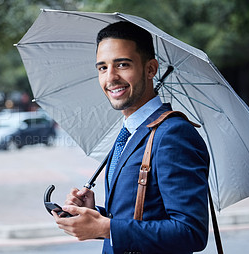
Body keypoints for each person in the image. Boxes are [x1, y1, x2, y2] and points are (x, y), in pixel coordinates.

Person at [52, 22, 210, 254]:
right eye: (102, 68)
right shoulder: (131, 131)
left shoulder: (173, 134)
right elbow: (142, 215)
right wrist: (96, 217)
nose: (111, 78)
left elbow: (190, 232)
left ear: (150, 69)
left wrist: (106, 228)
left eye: (122, 64)